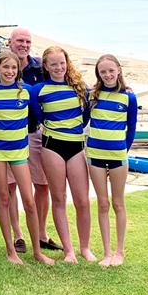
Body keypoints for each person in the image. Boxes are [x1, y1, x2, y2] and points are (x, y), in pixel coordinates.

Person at [0, 50, 55, 266]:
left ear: (18, 70)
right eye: (5, 67)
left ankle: (37, 252)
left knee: (29, 201)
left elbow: (39, 114)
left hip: (20, 152)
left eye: (14, 68)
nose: (10, 71)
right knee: (3, 197)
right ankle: (10, 250)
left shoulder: (27, 92)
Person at [29, 46, 93, 263]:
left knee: (82, 200)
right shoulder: (38, 90)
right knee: (59, 198)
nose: (58, 67)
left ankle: (85, 247)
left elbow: (86, 116)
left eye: (62, 63)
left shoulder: (80, 88)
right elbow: (38, 114)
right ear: (45, 66)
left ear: (67, 63)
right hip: (52, 146)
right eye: (53, 64)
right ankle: (69, 251)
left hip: (76, 147)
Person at [0, 28, 54, 254]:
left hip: (35, 133)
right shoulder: (0, 65)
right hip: (11, 137)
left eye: (27, 41)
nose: (24, 44)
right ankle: (18, 235)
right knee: (10, 187)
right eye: (19, 40)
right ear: (10, 42)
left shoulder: (39, 67)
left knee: (42, 185)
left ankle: (40, 233)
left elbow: (66, 80)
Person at [86, 54, 138, 267]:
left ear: (118, 69)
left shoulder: (129, 97)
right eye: (103, 71)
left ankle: (119, 251)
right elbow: (83, 117)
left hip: (118, 156)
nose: (107, 75)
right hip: (95, 155)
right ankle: (106, 252)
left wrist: (122, 149)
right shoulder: (93, 95)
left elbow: (131, 129)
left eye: (111, 70)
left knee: (118, 203)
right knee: (103, 203)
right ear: (98, 74)